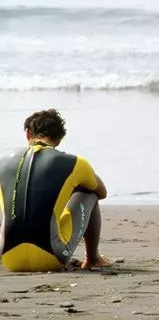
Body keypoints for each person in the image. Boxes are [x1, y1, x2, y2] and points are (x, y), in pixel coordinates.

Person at [0, 109, 112, 271]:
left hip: (10, 259)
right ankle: (93, 258)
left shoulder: (2, 161)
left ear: (28, 134)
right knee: (89, 193)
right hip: (51, 256)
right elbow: (101, 192)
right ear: (59, 140)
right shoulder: (76, 163)